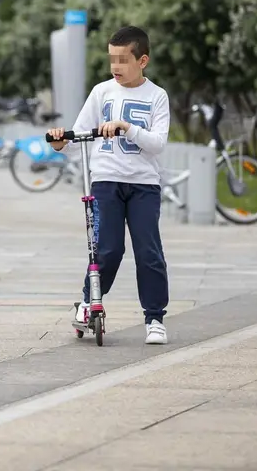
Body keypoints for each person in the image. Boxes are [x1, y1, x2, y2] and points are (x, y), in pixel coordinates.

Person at [47, 26, 171, 345]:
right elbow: (79, 139)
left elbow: (157, 144)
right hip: (106, 182)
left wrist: (126, 128)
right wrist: (61, 143)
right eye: (111, 59)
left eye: (123, 59)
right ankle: (89, 303)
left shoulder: (157, 96)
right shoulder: (102, 93)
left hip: (143, 185)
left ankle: (154, 318)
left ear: (142, 60)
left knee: (149, 252)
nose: (115, 66)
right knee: (108, 249)